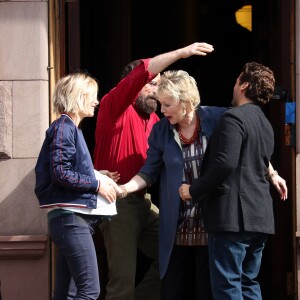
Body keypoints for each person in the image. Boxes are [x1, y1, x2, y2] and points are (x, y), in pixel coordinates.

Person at [118, 69, 287, 300]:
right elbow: (149, 171)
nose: (162, 110)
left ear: (185, 102)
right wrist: (125, 188)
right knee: (174, 289)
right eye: (161, 103)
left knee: (212, 289)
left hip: (213, 221)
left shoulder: (219, 118)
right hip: (177, 224)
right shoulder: (161, 130)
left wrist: (272, 173)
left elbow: (245, 145)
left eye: (167, 104)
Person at [93, 42, 215, 300]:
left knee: (170, 259)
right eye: (152, 84)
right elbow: (145, 70)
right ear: (132, 85)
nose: (157, 91)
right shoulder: (114, 106)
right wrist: (181, 53)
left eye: (160, 86)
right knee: (121, 282)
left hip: (145, 202)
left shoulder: (159, 121)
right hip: (118, 203)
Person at [179, 62, 288, 300]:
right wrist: (274, 174)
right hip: (260, 218)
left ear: (245, 85)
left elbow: (225, 164)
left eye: (237, 80)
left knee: (227, 284)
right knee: (249, 282)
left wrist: (193, 190)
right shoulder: (265, 123)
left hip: (232, 219)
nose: (234, 85)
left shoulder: (233, 118)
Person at [34, 72, 121, 300]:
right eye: (92, 96)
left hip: (67, 221)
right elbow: (60, 173)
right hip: (71, 220)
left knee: (67, 293)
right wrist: (96, 185)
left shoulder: (66, 127)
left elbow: (63, 169)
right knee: (89, 290)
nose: (96, 101)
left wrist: (96, 174)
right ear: (78, 97)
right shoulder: (65, 127)